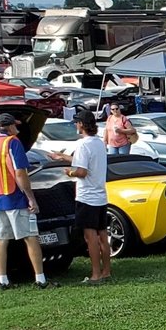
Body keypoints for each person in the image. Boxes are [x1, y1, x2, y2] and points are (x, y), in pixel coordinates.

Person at [0, 113, 45, 290]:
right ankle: (40, 279)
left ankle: (3, 280)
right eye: (15, 125)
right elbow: (20, 173)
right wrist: (31, 197)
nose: (17, 128)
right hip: (15, 197)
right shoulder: (12, 142)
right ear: (8, 127)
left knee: (1, 239)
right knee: (30, 237)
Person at [61, 107, 112, 285]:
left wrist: (70, 173)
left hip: (87, 197)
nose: (75, 124)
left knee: (90, 238)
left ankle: (95, 275)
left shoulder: (82, 144)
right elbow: (86, 161)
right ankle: (106, 271)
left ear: (82, 125)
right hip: (100, 196)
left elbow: (82, 171)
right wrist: (63, 157)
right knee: (103, 236)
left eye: (77, 122)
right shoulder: (98, 143)